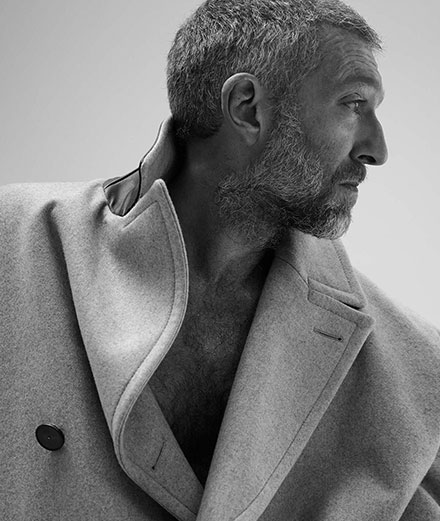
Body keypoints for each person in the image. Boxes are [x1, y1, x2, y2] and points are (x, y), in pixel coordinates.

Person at [1, 0, 439, 519]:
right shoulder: (14, 246)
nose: (377, 149)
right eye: (353, 104)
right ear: (247, 108)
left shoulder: (418, 375)